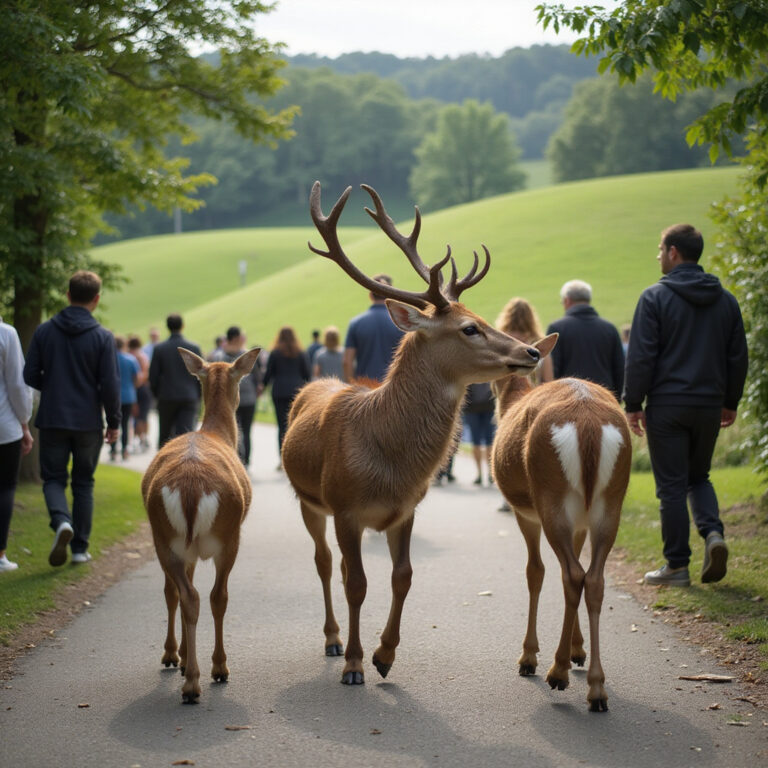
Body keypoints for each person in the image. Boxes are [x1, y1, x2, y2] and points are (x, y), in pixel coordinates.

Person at [624, 224, 748, 587]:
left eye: (660, 249)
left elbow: (641, 357)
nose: (658, 255)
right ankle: (713, 534)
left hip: (667, 406)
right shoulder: (726, 300)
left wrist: (633, 403)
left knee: (672, 487)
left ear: (674, 252)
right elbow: (737, 357)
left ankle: (677, 566)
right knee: (699, 476)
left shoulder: (654, 298)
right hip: (709, 405)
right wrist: (730, 401)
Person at [23, 270, 120, 567]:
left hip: (52, 417)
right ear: (96, 299)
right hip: (88, 422)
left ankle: (62, 521)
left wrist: (52, 386)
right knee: (83, 483)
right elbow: (110, 384)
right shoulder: (102, 337)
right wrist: (114, 422)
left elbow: (29, 374)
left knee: (52, 478)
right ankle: (79, 548)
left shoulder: (44, 331)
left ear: (68, 295)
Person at [495, 297, 554, 511]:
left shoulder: (501, 342)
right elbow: (549, 380)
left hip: (508, 404)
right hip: (536, 404)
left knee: (507, 450)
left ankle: (508, 495)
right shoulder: (540, 344)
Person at [546, 279, 625, 400]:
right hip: (603, 400)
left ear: (567, 300)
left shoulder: (557, 329)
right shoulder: (610, 329)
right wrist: (615, 399)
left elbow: (553, 370)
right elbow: (620, 369)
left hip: (568, 399)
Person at [0, 317, 34, 572]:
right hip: (4, 427)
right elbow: (17, 384)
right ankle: (0, 554)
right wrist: (24, 423)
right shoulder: (6, 333)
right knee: (5, 489)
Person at [210, 326, 262, 468]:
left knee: (236, 430)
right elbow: (258, 378)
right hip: (239, 400)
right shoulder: (247, 356)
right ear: (236, 338)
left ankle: (238, 461)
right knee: (241, 431)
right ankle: (241, 461)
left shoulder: (219, 355)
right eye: (241, 336)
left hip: (235, 400)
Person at [148, 314, 202, 449]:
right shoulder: (193, 348)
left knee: (165, 436)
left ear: (167, 327)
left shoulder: (159, 348)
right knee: (186, 436)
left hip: (166, 396)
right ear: (182, 326)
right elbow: (201, 375)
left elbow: (153, 376)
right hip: (189, 396)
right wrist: (198, 395)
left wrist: (157, 394)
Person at [261, 326, 310, 465]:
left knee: (281, 426)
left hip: (279, 391)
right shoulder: (301, 353)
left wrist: (262, 388)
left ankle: (283, 459)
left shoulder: (275, 353)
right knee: (296, 426)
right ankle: (297, 459)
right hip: (297, 392)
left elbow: (268, 375)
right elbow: (307, 374)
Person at [343, 274, 404, 383]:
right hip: (393, 388)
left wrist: (352, 387)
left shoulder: (356, 323)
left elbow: (347, 362)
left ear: (370, 296)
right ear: (389, 295)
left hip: (365, 390)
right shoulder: (401, 323)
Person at [496, 297, 554, 385]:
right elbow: (548, 382)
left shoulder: (499, 343)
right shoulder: (541, 346)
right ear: (531, 319)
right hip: (532, 396)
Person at [111, 335, 140, 461]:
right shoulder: (131, 359)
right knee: (126, 423)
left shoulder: (110, 359)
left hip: (113, 395)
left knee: (113, 423)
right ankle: (124, 450)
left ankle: (112, 450)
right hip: (128, 395)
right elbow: (137, 378)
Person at [463, 382, 496, 486]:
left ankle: (491, 474)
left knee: (489, 441)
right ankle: (479, 475)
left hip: (488, 408)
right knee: (476, 441)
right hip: (472, 409)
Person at [127, 335, 151, 452]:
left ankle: (139, 438)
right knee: (143, 416)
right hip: (144, 389)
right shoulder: (142, 356)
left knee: (136, 416)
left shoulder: (130, 356)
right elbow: (145, 374)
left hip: (135, 388)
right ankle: (143, 438)